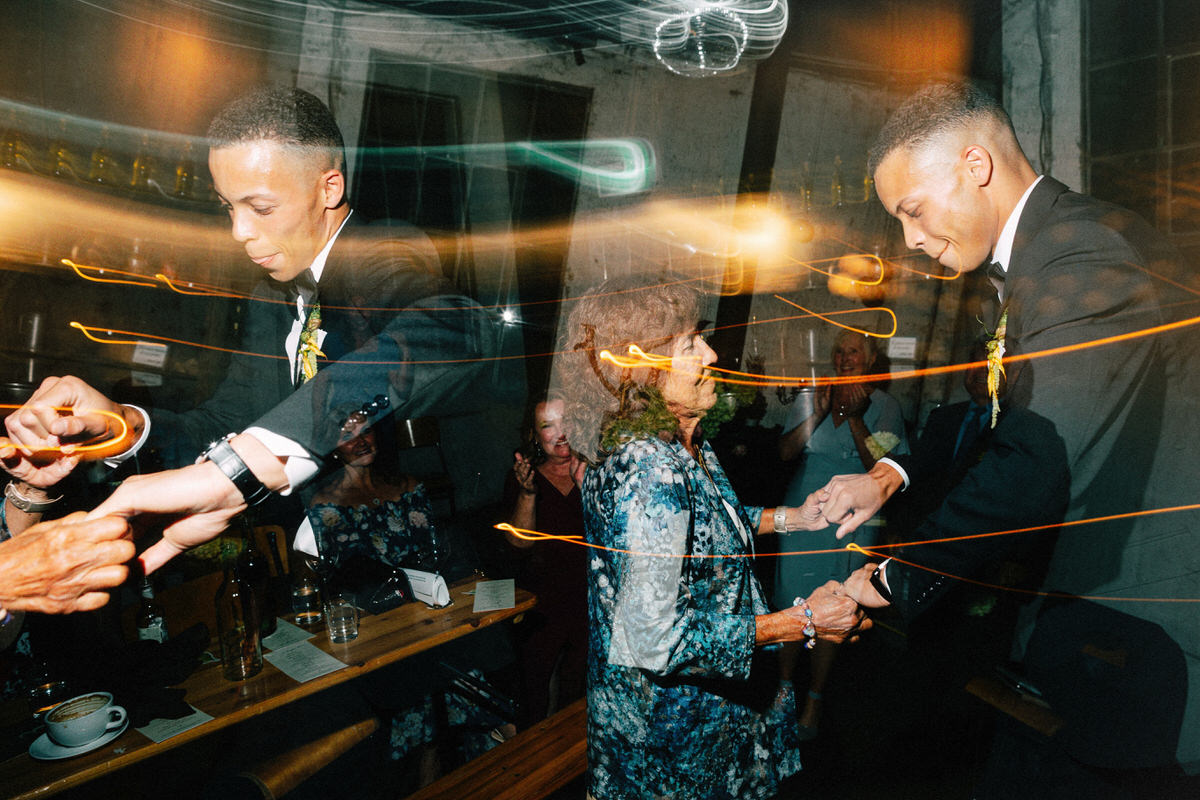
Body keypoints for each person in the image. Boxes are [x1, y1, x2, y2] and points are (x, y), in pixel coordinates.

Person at [815, 80, 1200, 786]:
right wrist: (888, 475)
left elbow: (1035, 461)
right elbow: (998, 421)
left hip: (1147, 633)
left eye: (914, 210)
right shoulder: (1044, 255)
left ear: (975, 165)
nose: (910, 239)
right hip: (1080, 625)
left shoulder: (1081, 252)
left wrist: (901, 576)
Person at [1, 86, 491, 574]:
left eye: (260, 208)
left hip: (414, 571)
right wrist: (123, 425)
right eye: (227, 207)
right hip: (317, 577)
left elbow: (453, 327)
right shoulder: (270, 297)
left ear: (329, 189)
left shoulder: (379, 252)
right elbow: (224, 428)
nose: (239, 232)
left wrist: (253, 462)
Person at [553, 275, 866, 800]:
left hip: (699, 724)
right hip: (675, 742)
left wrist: (794, 517)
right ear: (644, 369)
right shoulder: (651, 467)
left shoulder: (675, 442)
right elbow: (654, 637)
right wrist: (801, 621)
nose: (712, 352)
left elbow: (702, 526)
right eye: (690, 342)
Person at [774, 328, 908, 738]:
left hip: (850, 522)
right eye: (839, 351)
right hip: (804, 513)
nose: (845, 358)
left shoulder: (886, 406)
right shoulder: (812, 396)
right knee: (789, 600)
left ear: (869, 359)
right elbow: (784, 453)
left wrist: (853, 417)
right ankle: (781, 692)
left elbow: (881, 468)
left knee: (832, 604)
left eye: (854, 351)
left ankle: (813, 701)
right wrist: (818, 411)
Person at [501, 395, 587, 729]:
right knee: (534, 691)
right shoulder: (524, 478)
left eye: (565, 420)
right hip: (544, 600)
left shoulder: (596, 468)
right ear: (535, 437)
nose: (560, 432)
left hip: (591, 595)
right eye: (548, 425)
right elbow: (519, 544)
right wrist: (527, 494)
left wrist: (587, 486)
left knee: (577, 692)